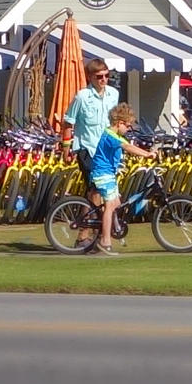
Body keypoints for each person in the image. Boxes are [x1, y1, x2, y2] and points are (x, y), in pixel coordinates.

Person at [61, 56, 117, 251]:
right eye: (99, 76)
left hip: (106, 151)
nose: (104, 80)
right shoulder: (82, 97)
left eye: (107, 75)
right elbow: (68, 123)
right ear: (90, 77)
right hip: (87, 148)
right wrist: (66, 149)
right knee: (95, 190)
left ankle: (96, 232)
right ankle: (86, 234)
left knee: (104, 192)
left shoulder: (113, 95)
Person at [90, 104, 156, 256]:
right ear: (119, 123)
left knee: (117, 203)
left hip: (108, 174)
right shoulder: (110, 136)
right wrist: (146, 155)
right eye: (127, 126)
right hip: (102, 174)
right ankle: (105, 242)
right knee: (110, 206)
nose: (128, 129)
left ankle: (114, 230)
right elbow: (127, 147)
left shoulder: (115, 135)